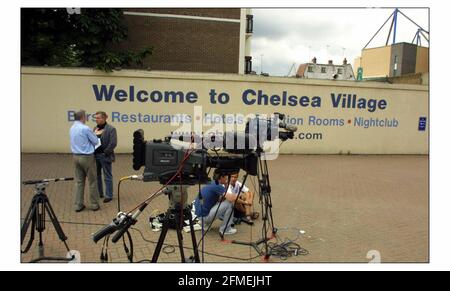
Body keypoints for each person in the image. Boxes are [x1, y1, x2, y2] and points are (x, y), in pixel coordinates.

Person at [69, 110, 100, 212]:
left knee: (79, 182)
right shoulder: (85, 128)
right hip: (87, 157)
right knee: (92, 181)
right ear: (82, 117)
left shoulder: (72, 128)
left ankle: (78, 205)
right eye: (86, 116)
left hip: (75, 157)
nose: (86, 118)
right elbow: (95, 141)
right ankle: (94, 204)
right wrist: (95, 135)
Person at [194, 170, 239, 236]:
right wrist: (244, 201)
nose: (227, 179)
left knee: (224, 201)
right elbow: (232, 199)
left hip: (200, 215)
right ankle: (225, 229)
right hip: (204, 217)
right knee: (229, 203)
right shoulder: (218, 186)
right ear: (221, 177)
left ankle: (205, 224)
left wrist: (226, 186)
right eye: (225, 177)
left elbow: (220, 199)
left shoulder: (211, 183)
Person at [93, 111, 117, 203]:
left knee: (107, 176)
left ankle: (109, 195)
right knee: (97, 175)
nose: (97, 120)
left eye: (98, 118)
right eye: (96, 118)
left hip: (105, 156)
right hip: (96, 155)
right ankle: (100, 193)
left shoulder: (111, 129)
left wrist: (105, 152)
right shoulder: (95, 128)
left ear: (104, 118)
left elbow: (113, 143)